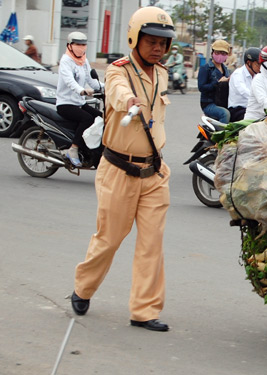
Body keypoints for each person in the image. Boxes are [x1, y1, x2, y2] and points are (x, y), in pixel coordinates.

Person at [70, 6, 176, 332]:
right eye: (151, 41)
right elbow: (117, 91)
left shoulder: (162, 73)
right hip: (118, 170)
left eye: (163, 42)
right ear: (135, 37)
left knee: (151, 243)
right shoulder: (118, 71)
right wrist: (129, 101)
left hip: (154, 172)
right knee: (109, 239)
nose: (158, 48)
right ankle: (83, 288)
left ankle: (144, 310)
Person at [56, 31, 103, 167]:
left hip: (79, 103)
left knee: (102, 118)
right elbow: (70, 81)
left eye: (83, 44)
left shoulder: (84, 61)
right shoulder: (66, 61)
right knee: (87, 119)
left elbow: (93, 82)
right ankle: (74, 149)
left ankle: (92, 149)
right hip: (66, 103)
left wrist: (110, 88)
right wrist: (82, 90)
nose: (81, 47)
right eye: (77, 44)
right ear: (69, 45)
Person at [198, 39, 231, 123]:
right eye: (217, 53)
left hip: (222, 102)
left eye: (223, 53)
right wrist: (217, 83)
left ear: (227, 55)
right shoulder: (205, 68)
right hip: (209, 103)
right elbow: (201, 87)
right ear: (212, 53)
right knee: (225, 114)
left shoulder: (226, 70)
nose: (220, 55)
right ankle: (221, 135)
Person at [228, 47, 261, 122]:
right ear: (249, 63)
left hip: (252, 109)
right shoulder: (238, 74)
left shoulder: (258, 76)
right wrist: (260, 98)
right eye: (258, 64)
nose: (260, 67)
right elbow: (244, 92)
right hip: (237, 110)